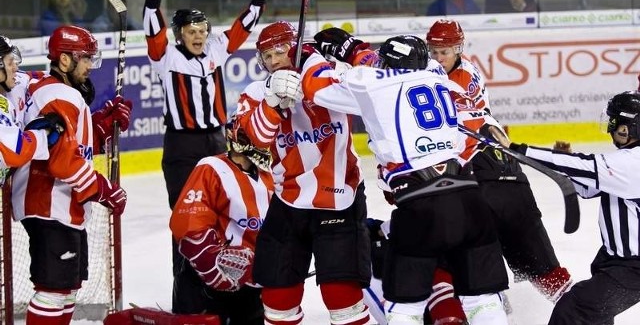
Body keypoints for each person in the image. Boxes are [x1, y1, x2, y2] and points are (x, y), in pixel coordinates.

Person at [302, 33, 510, 324]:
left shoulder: (370, 84)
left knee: (405, 306)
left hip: (419, 203)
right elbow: (383, 64)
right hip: (467, 197)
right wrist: (354, 49)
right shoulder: (435, 72)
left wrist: (311, 55)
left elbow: (315, 85)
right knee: (483, 299)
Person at [137, 0, 279, 314]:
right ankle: (187, 299)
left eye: (202, 29)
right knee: (189, 220)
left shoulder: (216, 50)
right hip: (182, 147)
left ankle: (228, 289)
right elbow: (153, 35)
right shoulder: (165, 57)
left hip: (217, 142)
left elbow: (241, 28)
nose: (199, 36)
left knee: (225, 213)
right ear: (180, 34)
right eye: (191, 30)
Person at [425, 19, 573, 303]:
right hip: (501, 165)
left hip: (481, 168)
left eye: (443, 52)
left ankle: (575, 308)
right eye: (433, 51)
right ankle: (502, 300)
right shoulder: (452, 69)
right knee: (526, 254)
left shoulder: (462, 77)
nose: (438, 58)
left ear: (458, 48)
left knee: (494, 252)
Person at [235, 21, 372, 325]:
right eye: (266, 56)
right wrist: (272, 103)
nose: (273, 61)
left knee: (342, 297)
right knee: (277, 297)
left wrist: (320, 60)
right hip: (289, 200)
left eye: (280, 52)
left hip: (340, 197)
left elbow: (373, 89)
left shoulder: (327, 75)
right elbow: (251, 139)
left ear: (296, 48)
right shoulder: (257, 91)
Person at [11, 25, 132, 325]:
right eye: (85, 58)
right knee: (53, 292)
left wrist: (102, 123)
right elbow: (63, 162)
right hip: (50, 203)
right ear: (64, 61)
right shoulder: (60, 94)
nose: (90, 66)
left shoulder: (56, 92)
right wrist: (104, 189)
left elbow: (69, 143)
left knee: (65, 291)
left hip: (59, 205)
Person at [488, 90, 640, 324]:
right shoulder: (627, 161)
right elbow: (588, 187)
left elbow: (588, 167)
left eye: (614, 122)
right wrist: (565, 163)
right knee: (594, 314)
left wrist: (517, 149)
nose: (610, 128)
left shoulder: (632, 163)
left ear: (627, 128)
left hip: (632, 270)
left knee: (573, 308)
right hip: (614, 263)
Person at [167, 115, 274, 324]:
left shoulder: (272, 175)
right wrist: (211, 263)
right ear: (240, 139)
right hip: (205, 285)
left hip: (251, 287)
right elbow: (188, 226)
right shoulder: (211, 168)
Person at [0, 36, 64, 186]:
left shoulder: (14, 81)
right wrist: (45, 133)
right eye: (10, 63)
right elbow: (16, 150)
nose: (15, 68)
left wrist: (72, 85)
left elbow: (34, 78)